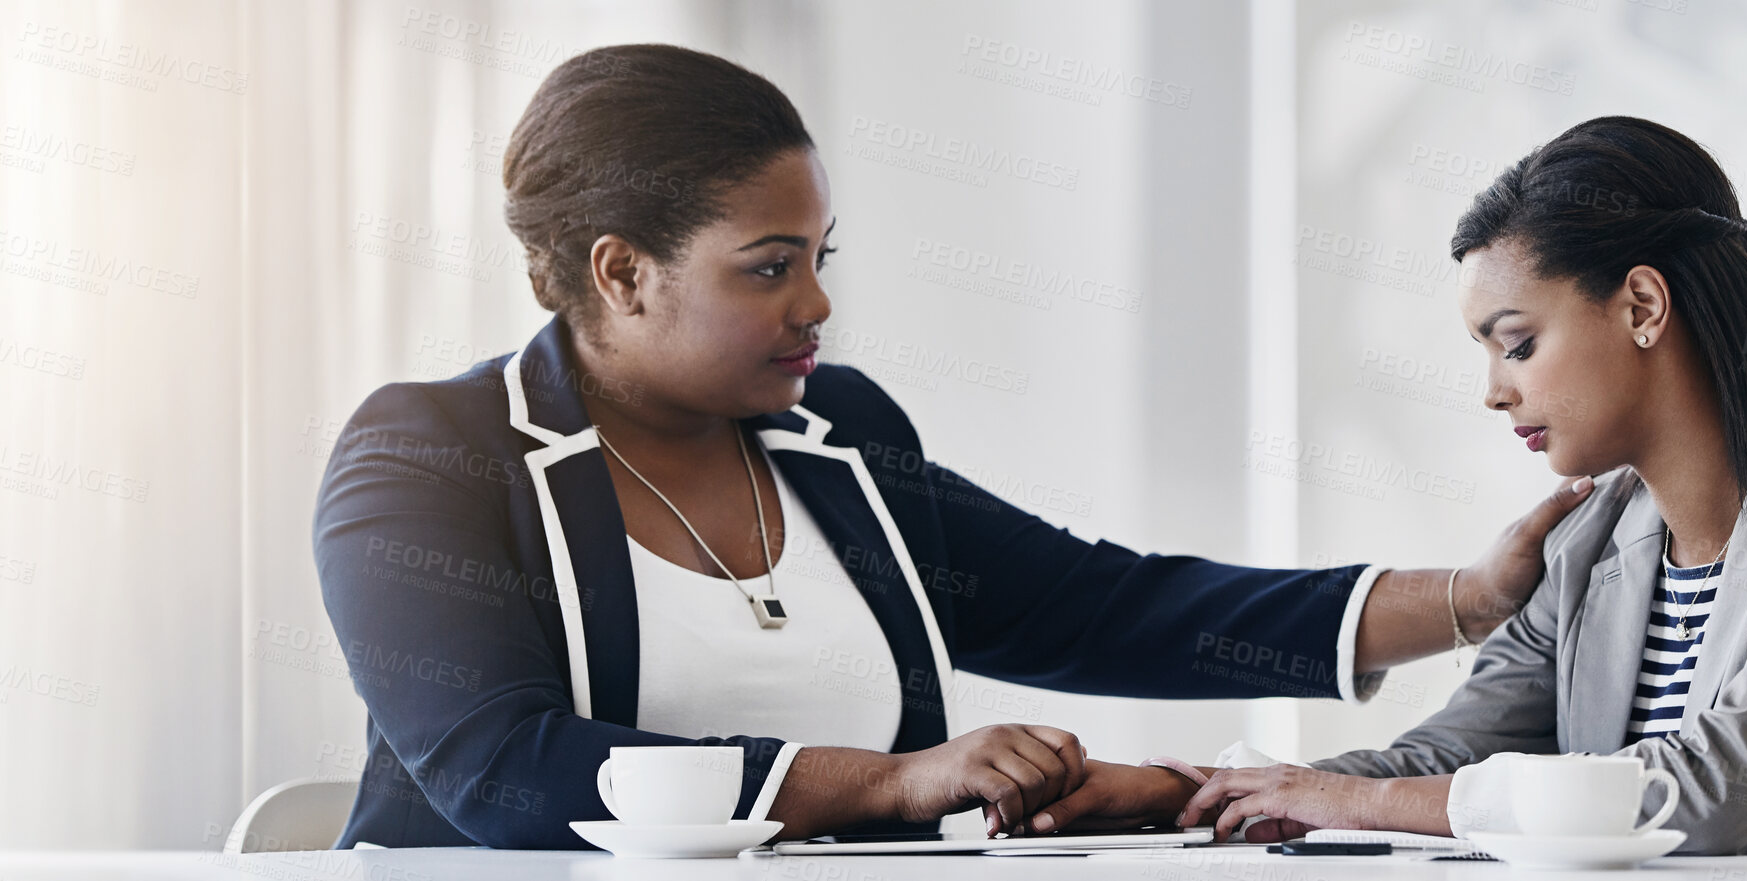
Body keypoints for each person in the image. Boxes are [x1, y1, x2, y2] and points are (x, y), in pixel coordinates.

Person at [311, 43, 1587, 850]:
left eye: (819, 260)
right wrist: (889, 780)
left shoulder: (840, 437)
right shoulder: (426, 460)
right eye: (767, 269)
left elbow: (1096, 604)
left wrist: (1467, 600)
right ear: (622, 271)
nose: (814, 305)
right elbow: (504, 771)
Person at [1031, 117, 1747, 881]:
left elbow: (1710, 789)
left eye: (1517, 340)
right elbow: (1448, 754)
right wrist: (1194, 788)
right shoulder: (1590, 540)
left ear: (1640, 305)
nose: (1494, 389)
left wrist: (1339, 798)